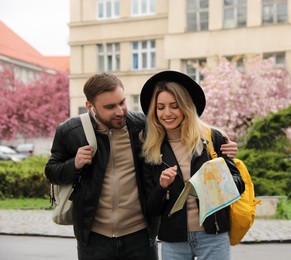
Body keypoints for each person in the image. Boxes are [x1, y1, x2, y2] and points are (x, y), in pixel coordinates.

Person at [45, 72, 238, 260]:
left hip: (140, 237)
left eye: (122, 102)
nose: (120, 111)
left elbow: (185, 125)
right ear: (90, 106)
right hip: (94, 239)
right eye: (110, 107)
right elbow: (52, 171)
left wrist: (222, 146)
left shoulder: (142, 126)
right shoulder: (71, 131)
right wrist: (75, 164)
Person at [140, 70, 246, 260]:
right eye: (161, 107)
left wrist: (216, 181)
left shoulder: (212, 138)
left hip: (213, 235)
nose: (167, 113)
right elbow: (151, 208)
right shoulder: (151, 150)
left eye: (174, 106)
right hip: (174, 239)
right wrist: (162, 187)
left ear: (185, 107)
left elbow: (239, 184)